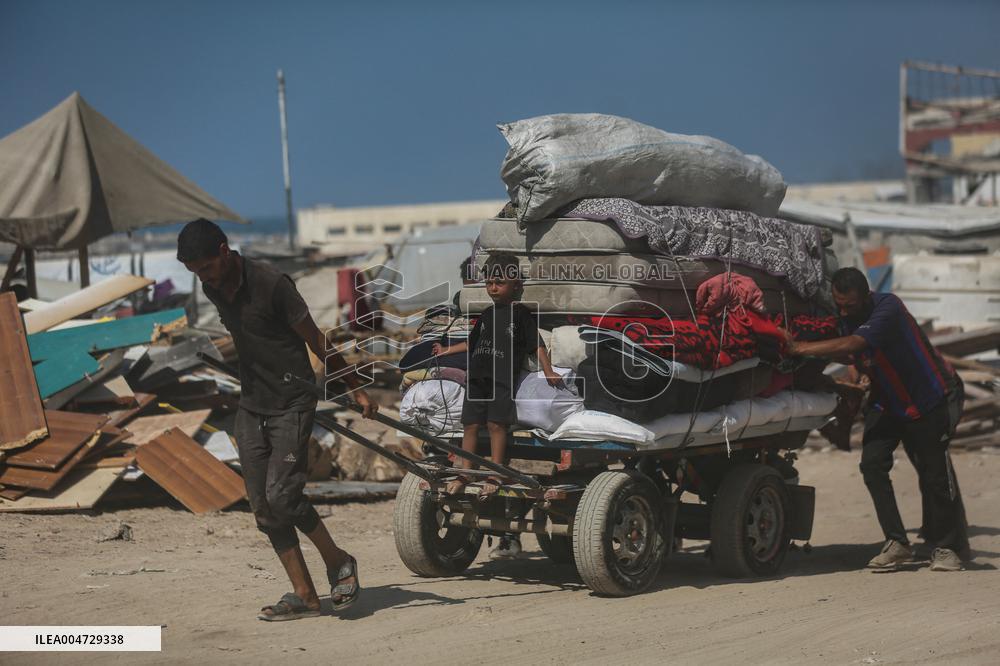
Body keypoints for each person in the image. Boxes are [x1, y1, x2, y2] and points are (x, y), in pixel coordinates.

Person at [177, 219, 379, 621]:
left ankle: (339, 562)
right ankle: (305, 595)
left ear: (224, 251)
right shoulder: (212, 287)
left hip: (292, 399)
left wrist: (354, 387)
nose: (203, 278)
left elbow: (315, 338)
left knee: (284, 496)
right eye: (195, 272)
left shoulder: (271, 284)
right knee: (263, 508)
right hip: (253, 402)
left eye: (207, 267)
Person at [784, 267, 968, 572]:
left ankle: (948, 547)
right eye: (839, 305)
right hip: (888, 403)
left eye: (850, 306)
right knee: (872, 465)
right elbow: (851, 354)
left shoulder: (888, 307)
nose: (844, 311)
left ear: (866, 296)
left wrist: (799, 348)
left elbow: (854, 345)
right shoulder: (844, 317)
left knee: (935, 474)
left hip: (927, 401)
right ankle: (897, 542)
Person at [432, 252, 560, 497]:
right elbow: (471, 343)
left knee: (496, 425)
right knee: (470, 424)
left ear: (516, 285)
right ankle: (466, 472)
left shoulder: (520, 314)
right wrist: (446, 350)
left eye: (499, 283)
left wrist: (548, 370)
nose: (493, 288)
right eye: (489, 283)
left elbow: (536, 344)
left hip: (501, 379)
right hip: (476, 377)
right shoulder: (487, 314)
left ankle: (496, 472)